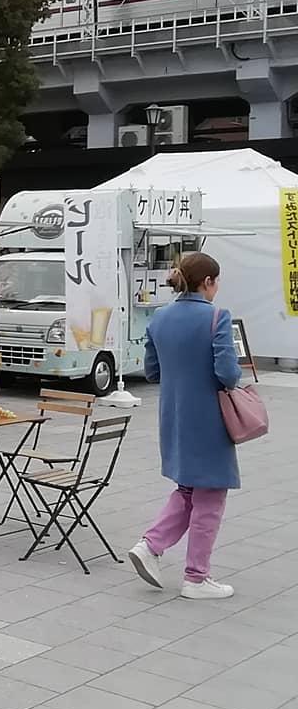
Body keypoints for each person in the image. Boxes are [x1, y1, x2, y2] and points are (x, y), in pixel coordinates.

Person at [128, 251, 243, 600]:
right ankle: (196, 577)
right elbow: (228, 373)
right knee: (211, 493)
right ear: (208, 282)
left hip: (173, 415)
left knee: (190, 489)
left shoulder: (159, 318)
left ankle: (151, 546)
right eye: (216, 281)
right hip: (208, 418)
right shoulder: (217, 317)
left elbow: (152, 372)